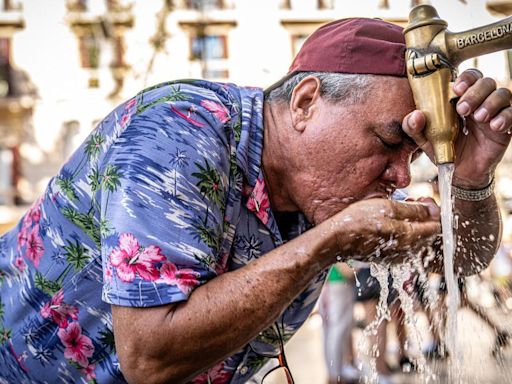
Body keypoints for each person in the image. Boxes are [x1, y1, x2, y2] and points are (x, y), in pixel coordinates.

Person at [0, 17, 510, 384]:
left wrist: (472, 174)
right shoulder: (179, 131)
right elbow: (150, 358)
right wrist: (325, 244)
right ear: (307, 101)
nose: (400, 176)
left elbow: (458, 257)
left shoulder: (322, 193)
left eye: (414, 155)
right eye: (386, 142)